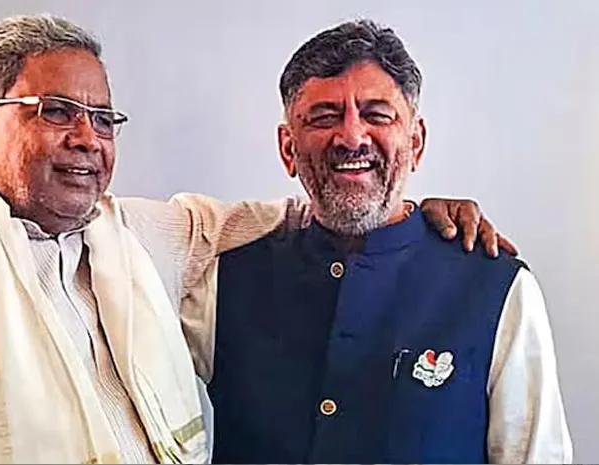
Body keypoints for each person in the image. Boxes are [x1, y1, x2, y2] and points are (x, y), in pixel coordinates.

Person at [0, 14, 512, 465]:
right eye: (55, 112)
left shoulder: (145, 237)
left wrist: (419, 212)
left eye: (102, 118)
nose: (86, 139)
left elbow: (326, 203)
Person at [175, 19, 572, 464]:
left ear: (416, 142)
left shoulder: (497, 289)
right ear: (288, 148)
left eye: (377, 114)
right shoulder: (220, 283)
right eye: (325, 117)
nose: (352, 137)